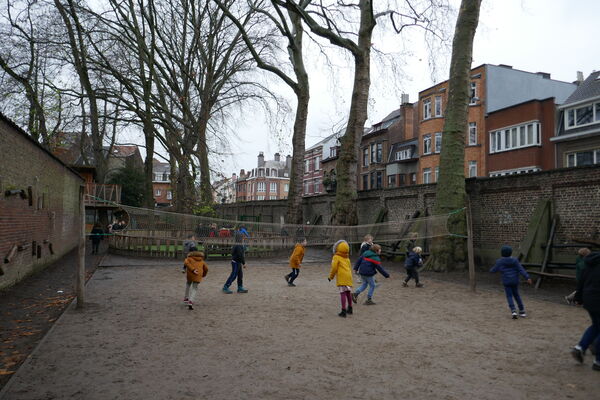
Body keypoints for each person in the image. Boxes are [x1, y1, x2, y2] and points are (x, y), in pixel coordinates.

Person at [571, 251, 600, 371]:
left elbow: (582, 281)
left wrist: (578, 298)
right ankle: (598, 361)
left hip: (589, 299)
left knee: (596, 325)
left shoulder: (590, 263)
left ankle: (580, 347)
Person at [490, 245, 532, 319]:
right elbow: (521, 269)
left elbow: (493, 270)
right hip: (515, 281)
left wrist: (492, 270)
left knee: (509, 296)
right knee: (517, 295)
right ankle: (522, 311)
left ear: (502, 253)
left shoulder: (500, 261)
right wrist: (527, 277)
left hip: (506, 281)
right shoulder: (515, 260)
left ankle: (513, 311)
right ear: (511, 253)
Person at [328, 240, 353, 318]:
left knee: (343, 293)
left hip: (342, 277)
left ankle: (343, 311)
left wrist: (330, 277)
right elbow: (349, 267)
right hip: (349, 276)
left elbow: (334, 268)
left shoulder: (336, 257)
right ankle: (350, 308)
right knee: (348, 292)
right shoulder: (347, 258)